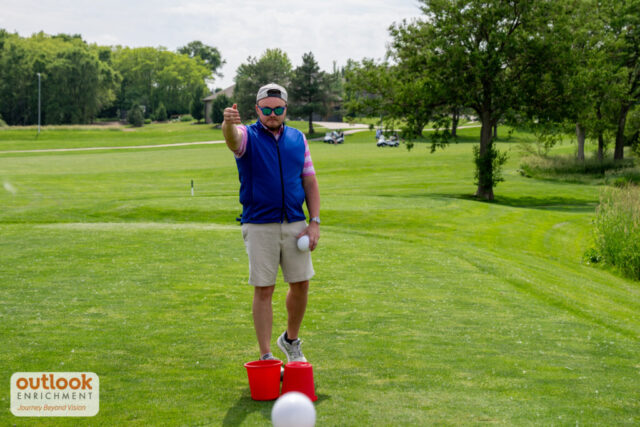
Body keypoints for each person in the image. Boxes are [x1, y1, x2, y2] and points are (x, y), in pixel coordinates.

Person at [222, 83, 320, 363]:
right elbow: (232, 139)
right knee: (264, 288)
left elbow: (310, 182)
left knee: (301, 284)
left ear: (285, 109)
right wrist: (227, 124)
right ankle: (266, 355)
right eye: (266, 109)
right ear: (257, 109)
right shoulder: (247, 136)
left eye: (278, 109)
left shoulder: (298, 138)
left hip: (295, 222)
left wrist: (314, 221)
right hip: (259, 224)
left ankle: (290, 340)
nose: (272, 114)